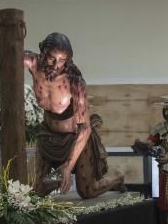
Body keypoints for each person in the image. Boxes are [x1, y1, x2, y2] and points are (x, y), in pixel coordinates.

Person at [23, 33, 125, 198]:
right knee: (36, 191)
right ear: (43, 53)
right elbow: (5, 57)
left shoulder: (75, 81)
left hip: (74, 138)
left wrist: (68, 167)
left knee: (87, 191)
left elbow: (84, 128)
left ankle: (117, 177)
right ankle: (59, 174)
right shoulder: (34, 64)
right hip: (48, 136)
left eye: (62, 60)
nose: (56, 65)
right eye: (51, 59)